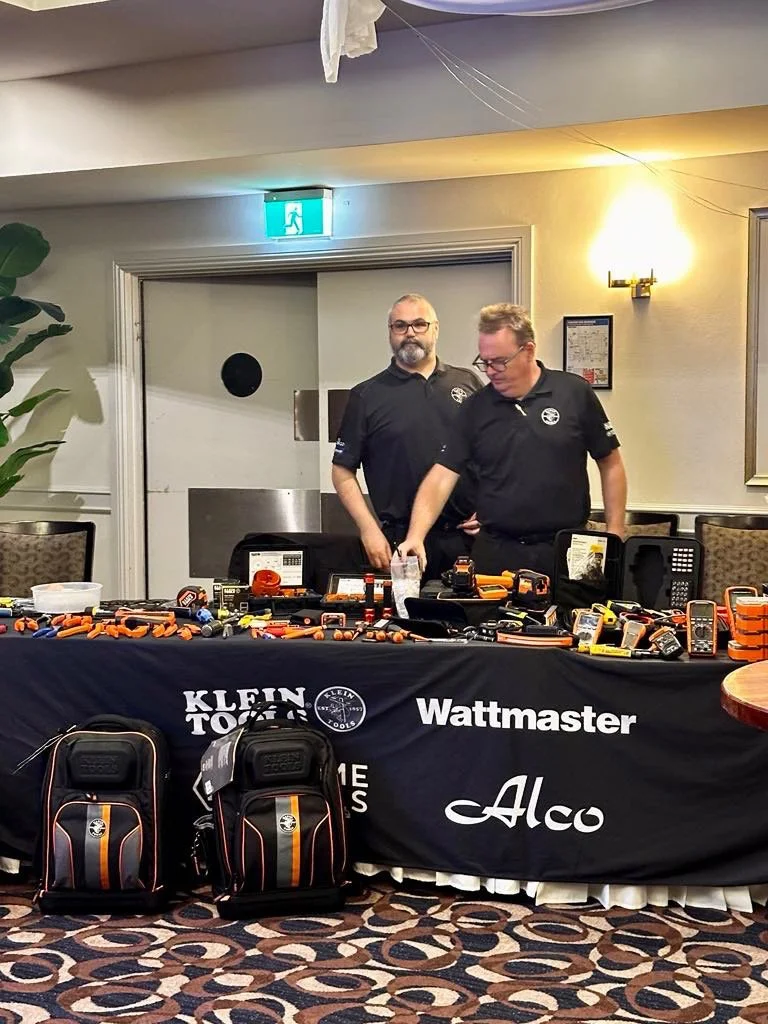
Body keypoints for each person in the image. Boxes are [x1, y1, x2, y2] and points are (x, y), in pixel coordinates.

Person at [400, 303, 627, 579]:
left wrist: (614, 532)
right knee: (490, 623)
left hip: (569, 547)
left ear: (528, 350)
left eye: (499, 361)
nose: (490, 371)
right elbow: (442, 475)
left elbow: (610, 462)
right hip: (496, 551)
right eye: (484, 361)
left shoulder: (574, 392)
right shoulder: (475, 408)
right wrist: (415, 535)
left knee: (577, 621)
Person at [331, 293, 482, 577]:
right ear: (390, 332)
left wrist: (489, 510)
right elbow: (341, 470)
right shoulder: (366, 395)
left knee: (470, 619)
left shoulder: (469, 383)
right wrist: (369, 529)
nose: (410, 333)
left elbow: (492, 454)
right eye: (400, 326)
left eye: (419, 324)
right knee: (402, 620)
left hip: (465, 541)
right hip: (399, 544)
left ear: (435, 329)